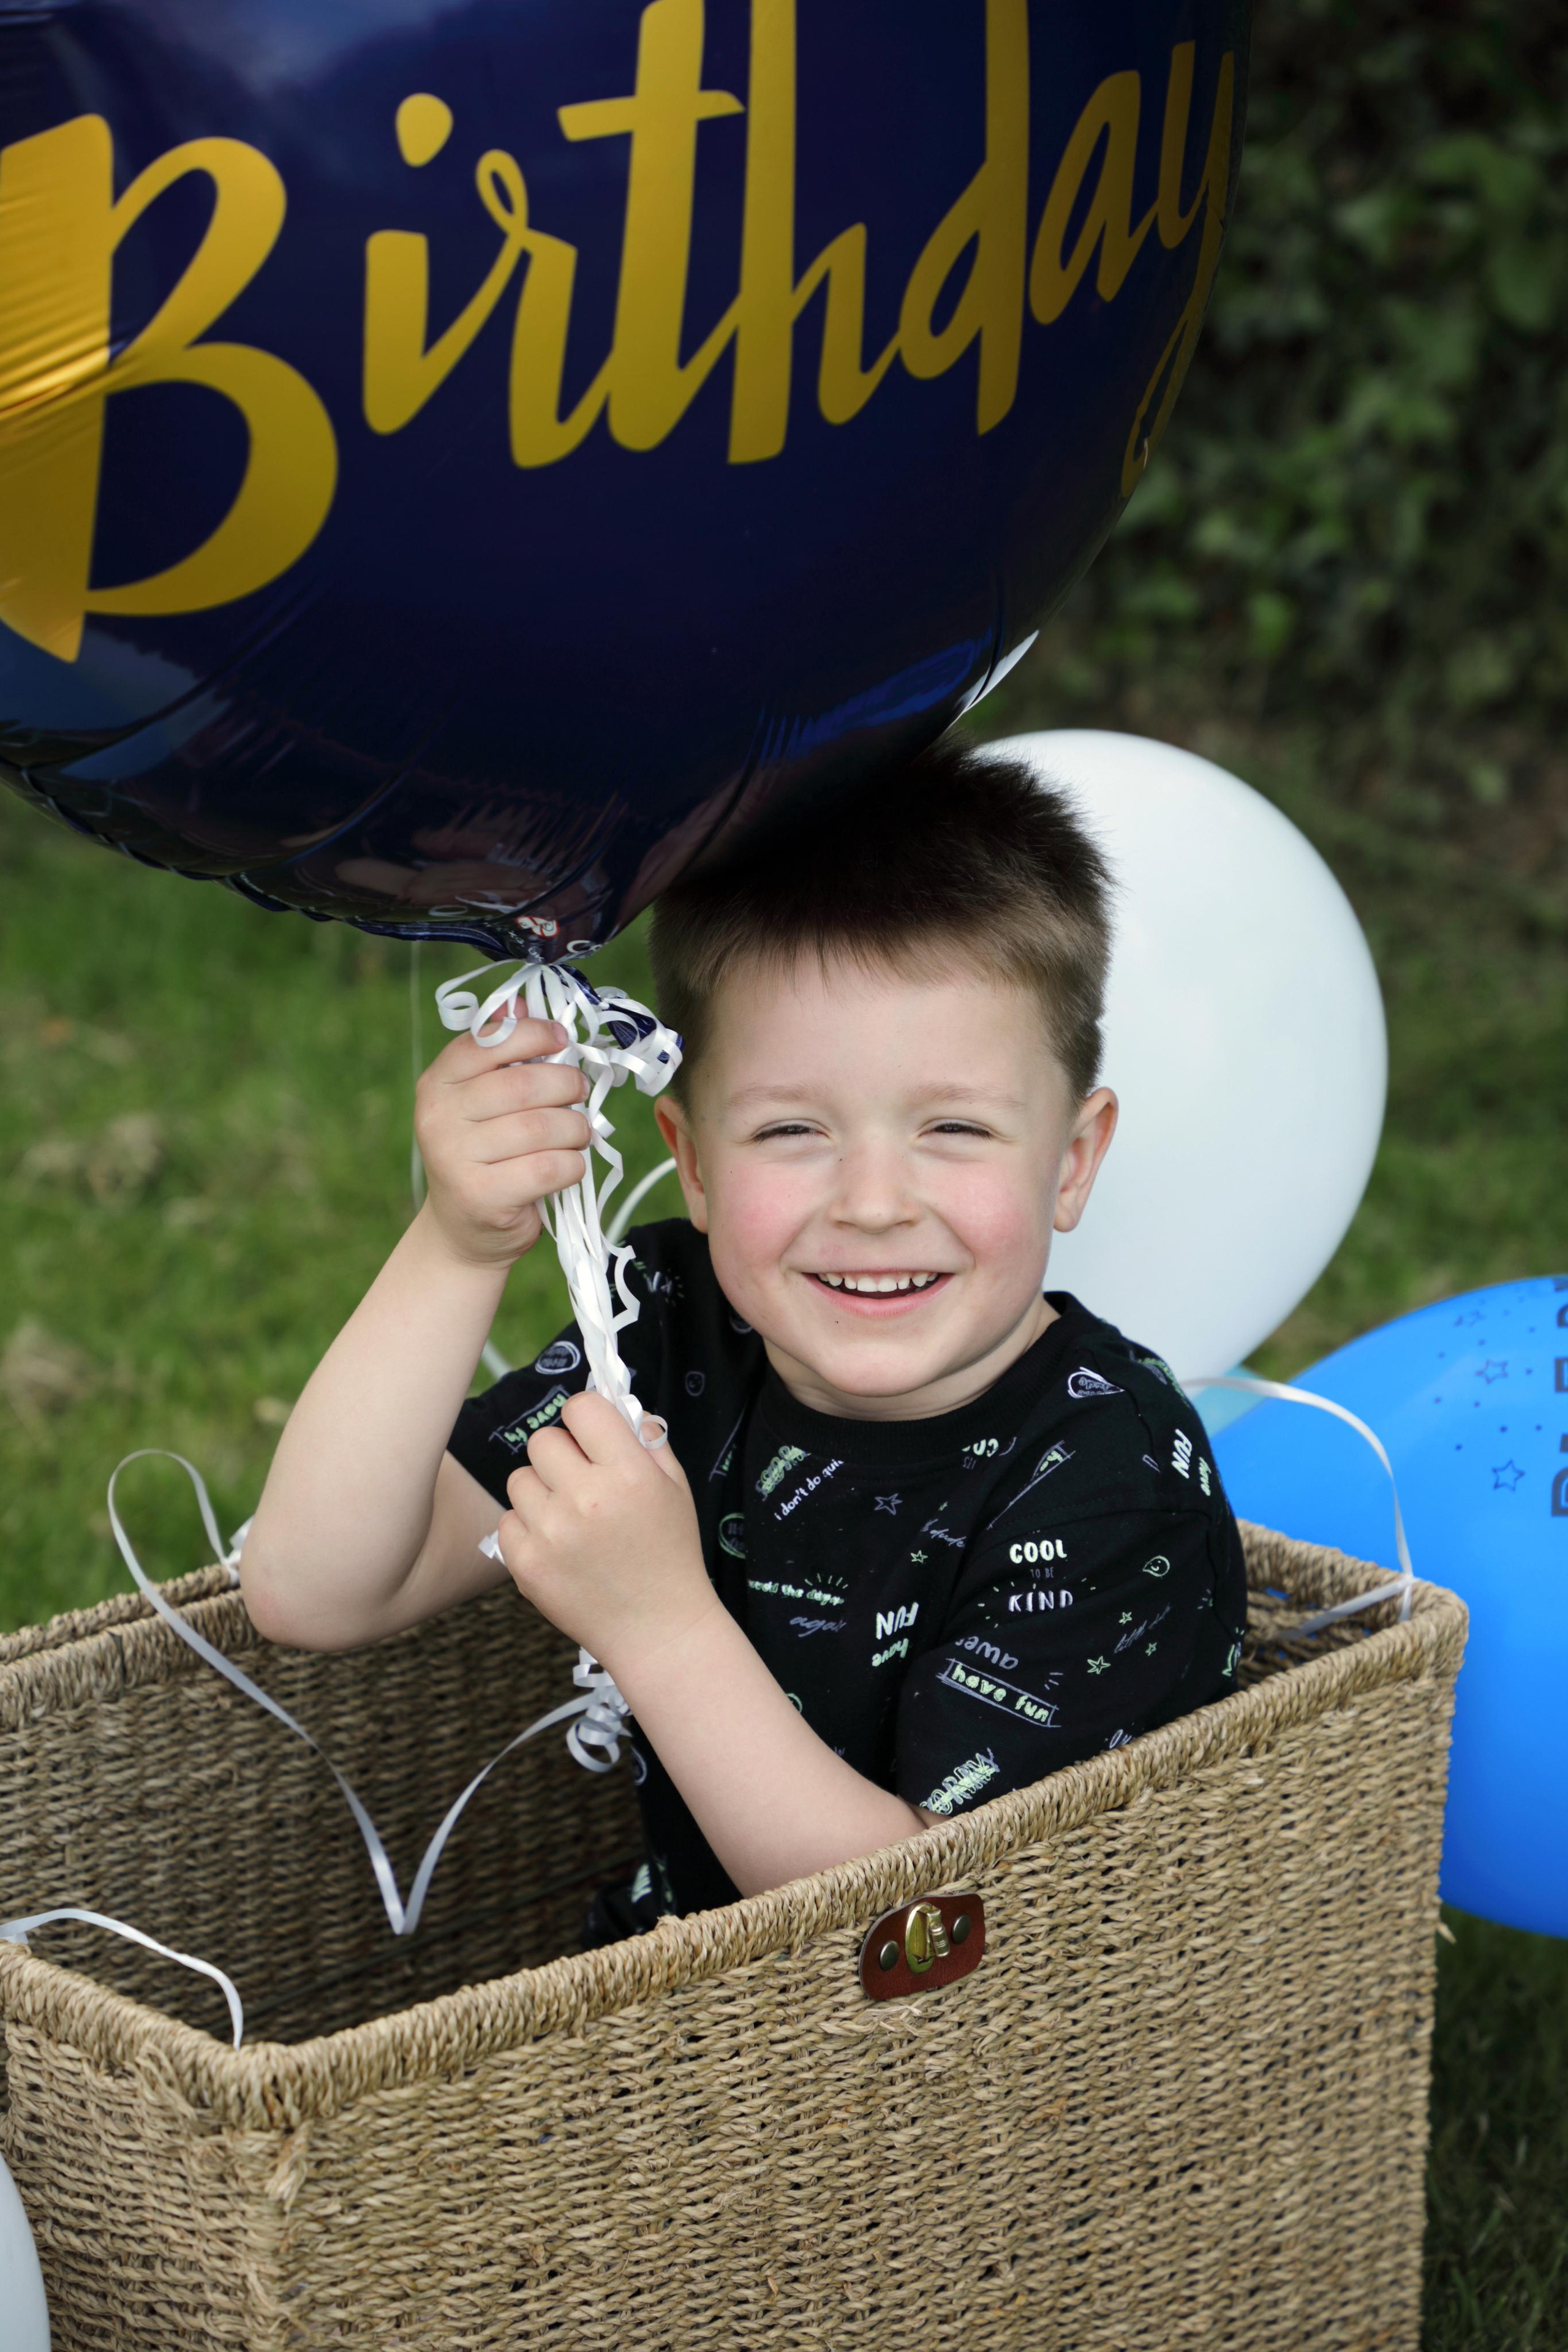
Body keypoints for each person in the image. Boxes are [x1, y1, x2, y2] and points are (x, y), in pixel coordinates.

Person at [241, 731, 1249, 1932]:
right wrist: (458, 1245)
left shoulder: (1111, 1477)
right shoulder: (672, 1326)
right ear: (694, 1163)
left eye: (954, 1130)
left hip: (994, 2036)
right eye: (790, 1132)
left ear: (1071, 1162)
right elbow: (314, 1592)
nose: (872, 1203)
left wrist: (660, 1626)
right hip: (690, 1999)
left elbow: (927, 1932)